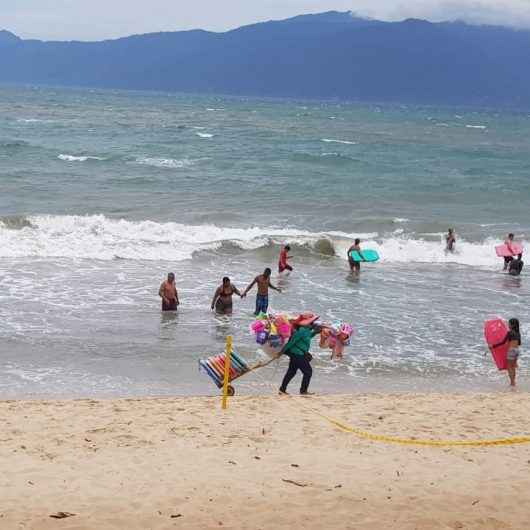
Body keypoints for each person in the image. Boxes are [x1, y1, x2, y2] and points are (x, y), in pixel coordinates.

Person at [279, 324, 320, 395]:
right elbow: (291, 342)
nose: (314, 325)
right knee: (308, 372)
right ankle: (303, 391)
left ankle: (282, 390)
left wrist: (315, 332)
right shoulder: (301, 330)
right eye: (312, 323)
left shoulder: (306, 331)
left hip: (298, 354)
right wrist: (282, 351)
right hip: (297, 354)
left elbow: (307, 337)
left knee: (291, 372)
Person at [491, 318, 521, 387]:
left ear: (512, 325)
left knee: (509, 367)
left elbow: (502, 342)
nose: (508, 325)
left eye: (509, 323)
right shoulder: (518, 333)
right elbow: (519, 343)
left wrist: (493, 346)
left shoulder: (509, 332)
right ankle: (513, 382)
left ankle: (512, 383)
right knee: (513, 367)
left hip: (511, 351)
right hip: (517, 350)